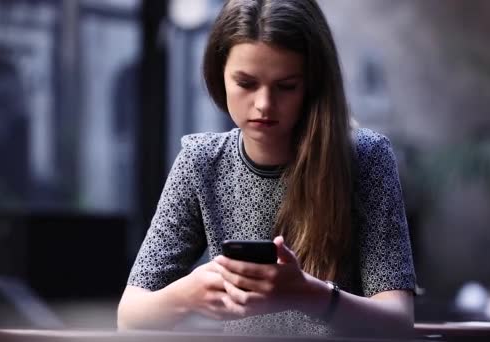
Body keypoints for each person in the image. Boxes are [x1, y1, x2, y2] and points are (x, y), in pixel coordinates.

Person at [118, 0, 416, 337]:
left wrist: (310, 295)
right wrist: (187, 296)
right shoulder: (201, 161)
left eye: (286, 86)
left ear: (312, 84)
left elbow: (398, 322)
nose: (264, 105)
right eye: (246, 84)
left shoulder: (365, 157)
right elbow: (131, 314)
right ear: (219, 76)